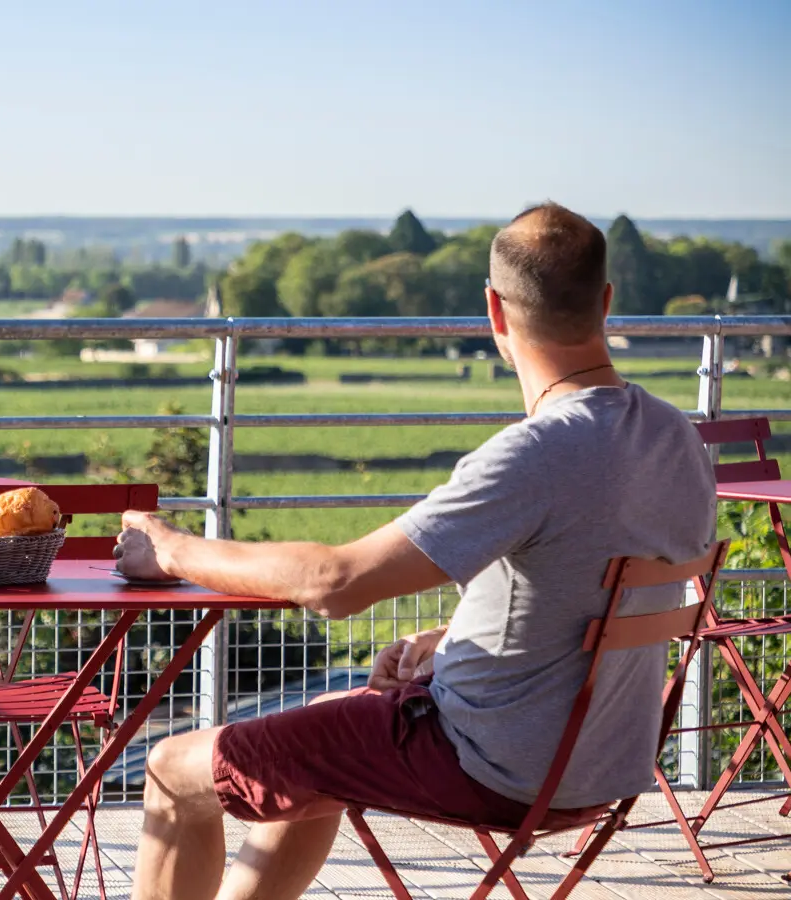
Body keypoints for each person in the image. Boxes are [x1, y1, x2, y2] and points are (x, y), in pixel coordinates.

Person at [114, 202, 716, 900]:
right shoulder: (677, 439)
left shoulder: (536, 455)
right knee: (320, 737)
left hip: (491, 766)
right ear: (606, 302)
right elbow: (591, 598)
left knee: (170, 769)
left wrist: (172, 549)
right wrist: (451, 641)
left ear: (494, 311)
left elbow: (337, 582)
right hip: (602, 768)